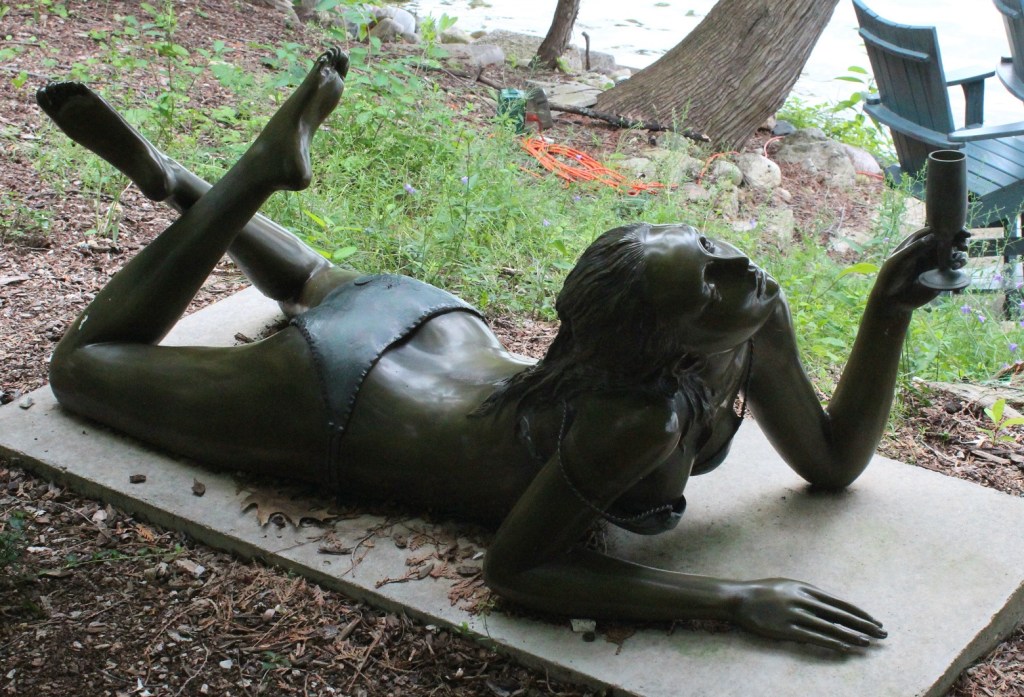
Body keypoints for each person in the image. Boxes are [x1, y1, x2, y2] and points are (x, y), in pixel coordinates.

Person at [36, 48, 966, 652]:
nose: (743, 269)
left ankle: (181, 181)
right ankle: (249, 173)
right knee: (82, 367)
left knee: (310, 277)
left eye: (714, 251)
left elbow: (833, 462)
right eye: (708, 276)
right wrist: (731, 600)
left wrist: (888, 311)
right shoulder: (633, 417)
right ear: (661, 340)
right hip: (340, 395)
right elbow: (517, 569)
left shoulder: (749, 316)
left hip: (432, 328)